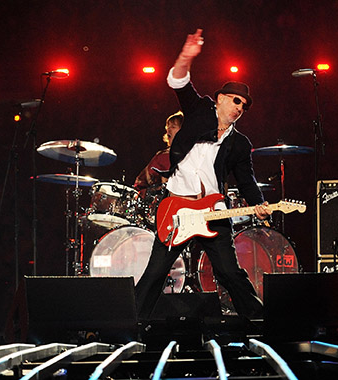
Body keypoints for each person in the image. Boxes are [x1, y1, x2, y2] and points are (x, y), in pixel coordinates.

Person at [135, 29, 271, 320]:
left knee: (229, 272)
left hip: (212, 211)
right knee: (155, 273)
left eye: (244, 106)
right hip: (177, 208)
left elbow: (246, 180)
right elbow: (178, 81)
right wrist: (186, 56)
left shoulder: (240, 143)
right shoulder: (199, 110)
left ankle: (260, 321)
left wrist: (259, 204)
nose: (239, 108)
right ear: (220, 99)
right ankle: (129, 325)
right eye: (235, 101)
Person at [133, 111, 183, 192]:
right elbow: (140, 183)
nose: (168, 129)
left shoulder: (195, 153)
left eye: (173, 126)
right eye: (167, 127)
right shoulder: (161, 157)